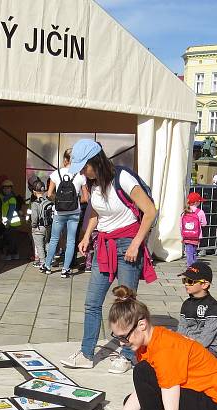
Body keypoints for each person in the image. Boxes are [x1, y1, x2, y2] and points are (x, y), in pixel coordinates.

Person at [60, 139, 157, 374]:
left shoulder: (122, 178)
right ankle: (86, 353)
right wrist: (86, 236)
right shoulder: (93, 184)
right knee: (92, 302)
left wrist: (136, 244)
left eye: (85, 167)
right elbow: (94, 210)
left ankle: (126, 354)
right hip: (104, 244)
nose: (83, 172)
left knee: (125, 304)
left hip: (127, 245)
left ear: (97, 162)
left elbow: (150, 211)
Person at [42, 149, 89, 278]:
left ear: (65, 159)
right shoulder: (81, 175)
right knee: (71, 240)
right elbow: (86, 198)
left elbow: (49, 194)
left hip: (59, 212)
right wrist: (74, 200)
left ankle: (47, 266)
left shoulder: (55, 174)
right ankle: (66, 269)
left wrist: (59, 201)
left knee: (54, 239)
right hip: (74, 212)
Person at [177, 262, 217, 358]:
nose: (186, 283)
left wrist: (187, 349)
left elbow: (206, 339)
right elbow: (181, 329)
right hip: (188, 345)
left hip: (208, 350)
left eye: (190, 281)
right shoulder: (186, 304)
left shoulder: (213, 308)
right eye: (184, 280)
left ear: (205, 285)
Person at [0, 178, 23, 260]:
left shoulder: (11, 199)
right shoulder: (6, 198)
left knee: (10, 239)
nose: (6, 190)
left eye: (8, 188)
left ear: (11, 189)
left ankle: (10, 254)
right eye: (5, 188)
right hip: (11, 222)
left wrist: (7, 222)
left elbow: (10, 212)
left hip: (11, 223)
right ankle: (14, 254)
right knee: (12, 239)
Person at [28, 176, 51, 267]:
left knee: (39, 246)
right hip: (48, 227)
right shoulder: (48, 202)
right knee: (47, 243)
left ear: (33, 192)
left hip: (38, 227)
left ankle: (42, 262)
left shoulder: (34, 204)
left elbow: (34, 217)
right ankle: (50, 259)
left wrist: (33, 226)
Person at [181, 192, 207, 267]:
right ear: (196, 202)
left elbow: (181, 225)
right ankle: (192, 265)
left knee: (189, 251)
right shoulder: (200, 212)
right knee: (194, 251)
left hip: (186, 235)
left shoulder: (185, 211)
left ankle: (191, 265)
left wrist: (182, 234)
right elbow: (204, 223)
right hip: (196, 235)